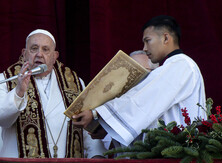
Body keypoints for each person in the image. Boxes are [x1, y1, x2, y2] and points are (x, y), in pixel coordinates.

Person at [73, 15, 206, 147]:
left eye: (148, 41)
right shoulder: (172, 66)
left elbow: (142, 100)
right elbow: (149, 111)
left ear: (166, 38)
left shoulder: (181, 65)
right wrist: (108, 128)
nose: (145, 48)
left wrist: (97, 113)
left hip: (175, 154)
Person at [0, 29, 105, 158]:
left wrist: (97, 155)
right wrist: (19, 92)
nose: (39, 54)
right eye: (34, 48)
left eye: (45, 49)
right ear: (24, 54)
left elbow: (84, 124)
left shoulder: (75, 82)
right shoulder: (3, 81)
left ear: (55, 56)